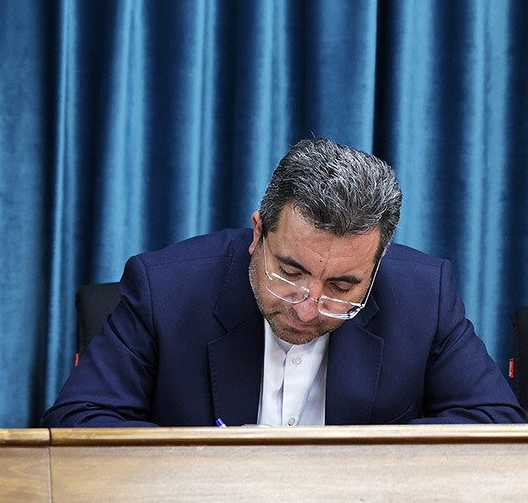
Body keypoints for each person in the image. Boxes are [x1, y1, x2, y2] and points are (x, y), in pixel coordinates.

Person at [43, 138, 525, 427]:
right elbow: (78, 422)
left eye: (342, 287)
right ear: (259, 233)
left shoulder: (425, 295)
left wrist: (361, 465)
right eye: (290, 273)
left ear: (377, 263)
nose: (307, 308)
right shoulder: (164, 288)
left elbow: (495, 425)